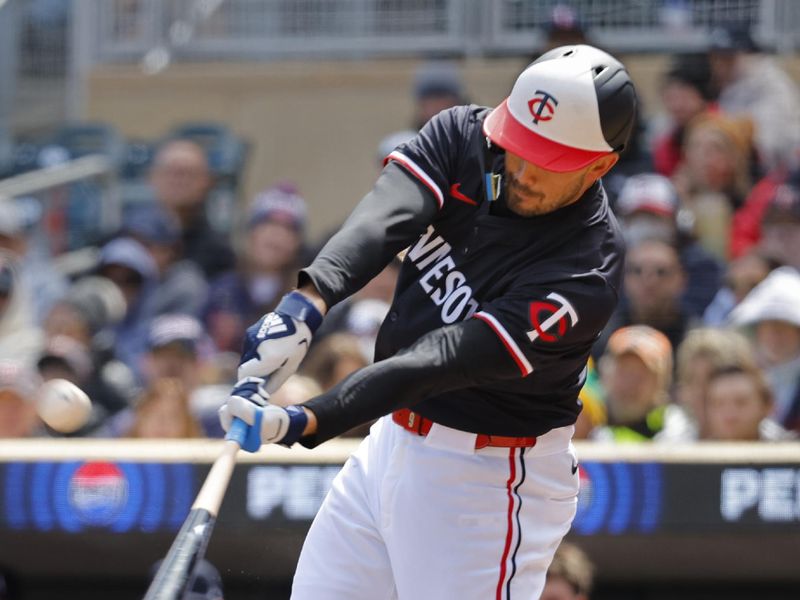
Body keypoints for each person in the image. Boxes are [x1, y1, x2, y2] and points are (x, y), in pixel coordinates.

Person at [218, 44, 637, 599]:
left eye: (548, 160)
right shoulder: (466, 135)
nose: (522, 171)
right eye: (520, 147)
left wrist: (307, 420)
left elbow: (438, 360)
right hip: (392, 442)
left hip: (487, 479)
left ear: (601, 164)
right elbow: (383, 218)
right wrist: (304, 305)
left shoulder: (585, 270)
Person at [148, 139, 235, 278]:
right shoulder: (127, 240)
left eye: (188, 174)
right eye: (171, 172)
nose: (179, 181)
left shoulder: (218, 253)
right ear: (152, 178)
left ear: (207, 182)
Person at [592, 325, 691, 443]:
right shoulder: (583, 419)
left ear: (661, 384)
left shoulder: (675, 427)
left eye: (640, 376)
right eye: (624, 372)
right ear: (605, 374)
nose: (630, 384)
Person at [702, 365, 792, 441]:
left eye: (741, 403)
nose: (729, 413)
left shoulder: (791, 453)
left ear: (767, 406)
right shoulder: (696, 455)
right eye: (719, 403)